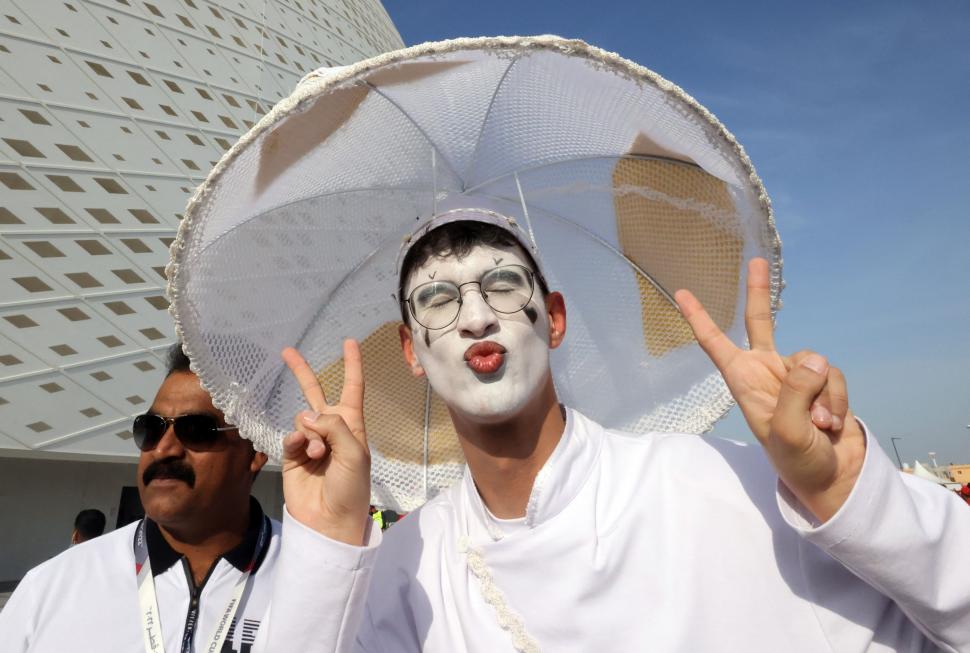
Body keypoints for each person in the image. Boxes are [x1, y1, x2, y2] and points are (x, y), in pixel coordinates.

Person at [267, 214, 970, 652]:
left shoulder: (729, 487)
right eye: (440, 300)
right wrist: (327, 546)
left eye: (504, 286)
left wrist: (849, 491)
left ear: (556, 316)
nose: (477, 318)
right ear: (412, 350)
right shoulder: (406, 565)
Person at [0, 343, 331, 652]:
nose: (164, 448)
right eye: (151, 428)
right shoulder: (52, 587)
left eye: (196, 429)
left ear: (257, 451)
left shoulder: (323, 585)